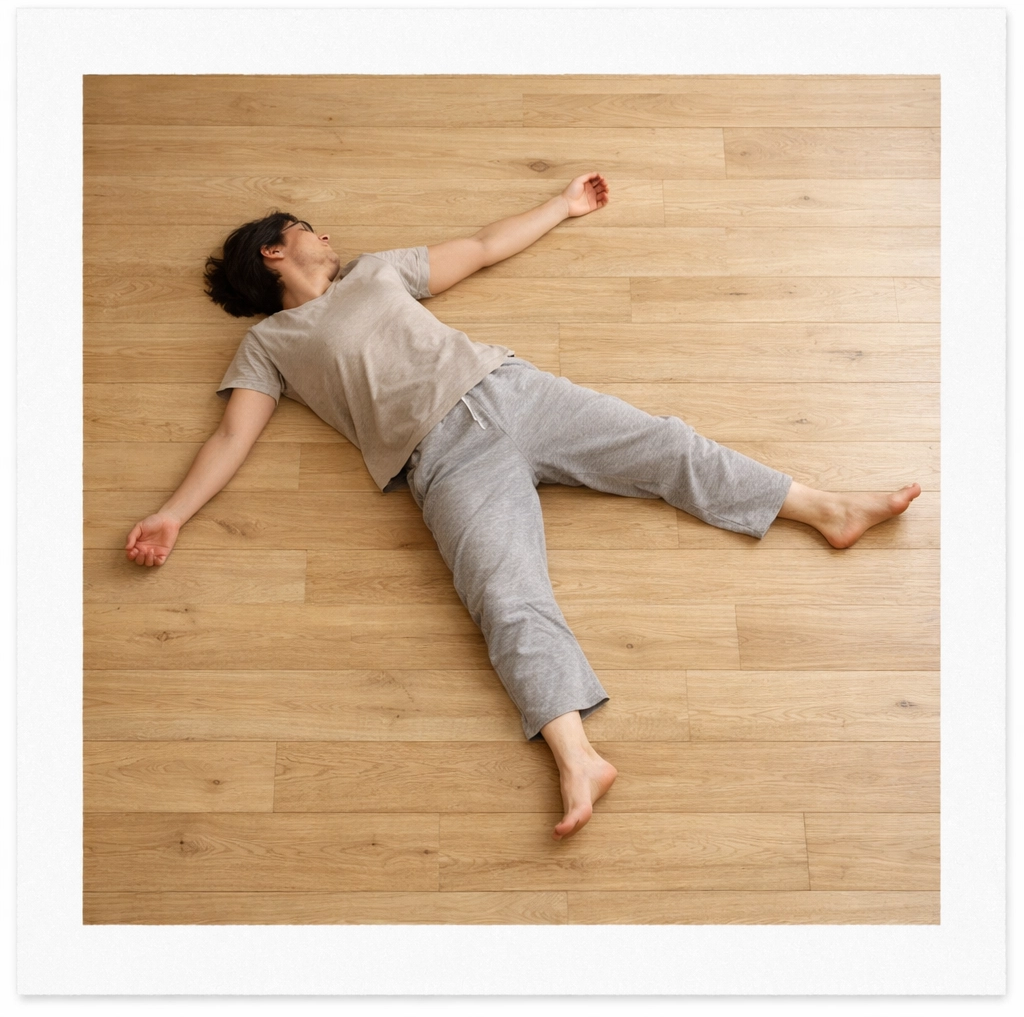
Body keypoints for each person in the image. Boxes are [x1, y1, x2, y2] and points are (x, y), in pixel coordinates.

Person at [124, 173, 921, 842]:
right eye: (308, 229)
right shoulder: (269, 346)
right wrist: (174, 514)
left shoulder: (375, 271)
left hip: (513, 392)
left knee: (667, 446)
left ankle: (825, 509)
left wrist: (561, 206)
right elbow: (232, 436)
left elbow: (477, 247)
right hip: (442, 459)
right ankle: (578, 758)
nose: (324, 236)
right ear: (275, 249)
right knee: (505, 598)